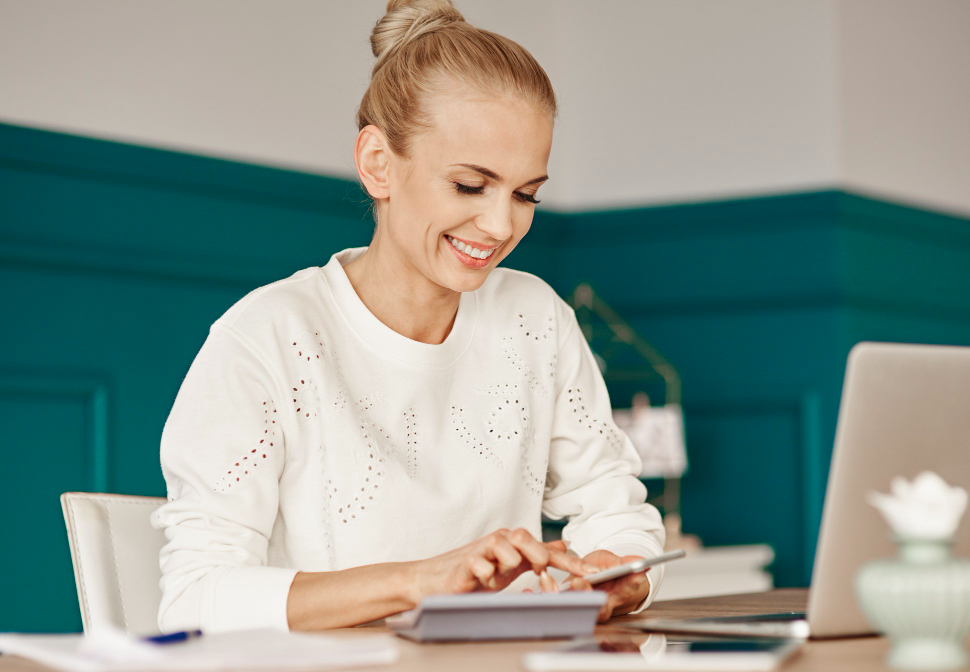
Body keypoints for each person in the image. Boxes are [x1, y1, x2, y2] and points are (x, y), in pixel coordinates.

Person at [151, 0, 667, 633]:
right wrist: (420, 581)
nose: (503, 225)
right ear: (378, 164)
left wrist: (624, 576)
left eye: (527, 193)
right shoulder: (266, 339)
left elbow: (618, 511)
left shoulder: (536, 320)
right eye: (470, 186)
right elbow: (196, 598)